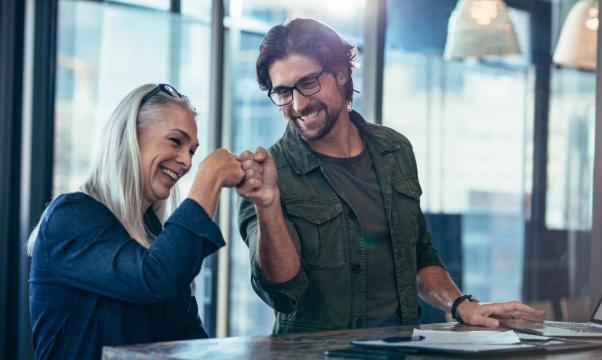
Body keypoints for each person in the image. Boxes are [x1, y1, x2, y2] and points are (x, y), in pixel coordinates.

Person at [236, 18, 545, 334]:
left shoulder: (395, 150)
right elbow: (281, 293)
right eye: (284, 92)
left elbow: (418, 253)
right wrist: (268, 206)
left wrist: (460, 304)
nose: (298, 104)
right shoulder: (267, 177)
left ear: (341, 74)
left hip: (400, 349)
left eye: (308, 83)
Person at [27, 84, 244, 359]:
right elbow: (155, 278)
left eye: (191, 151)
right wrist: (209, 180)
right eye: (176, 141)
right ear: (130, 137)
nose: (187, 162)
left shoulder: (156, 237)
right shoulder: (69, 217)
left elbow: (191, 341)